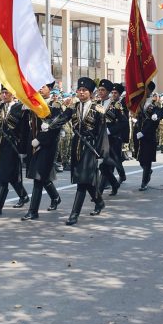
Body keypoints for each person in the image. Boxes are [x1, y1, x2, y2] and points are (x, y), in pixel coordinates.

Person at [64, 77, 108, 225]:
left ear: (90, 93)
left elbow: (102, 133)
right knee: (85, 180)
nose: (81, 92)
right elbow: (63, 118)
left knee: (82, 182)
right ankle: (99, 201)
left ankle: (74, 214)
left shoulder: (98, 109)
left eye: (84, 90)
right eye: (79, 90)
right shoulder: (73, 107)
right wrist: (50, 123)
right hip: (76, 147)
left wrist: (102, 153)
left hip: (91, 147)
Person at [21, 82, 63, 220]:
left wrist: (40, 140)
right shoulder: (34, 103)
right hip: (33, 143)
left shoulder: (55, 105)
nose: (39, 88)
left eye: (43, 86)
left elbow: (55, 127)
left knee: (38, 177)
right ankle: (55, 197)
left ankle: (33, 211)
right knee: (42, 176)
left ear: (49, 89)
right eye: (38, 86)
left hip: (47, 145)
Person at [0, 86, 30, 217]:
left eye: (7, 93)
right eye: (3, 93)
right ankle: (23, 196)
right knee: (11, 176)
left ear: (13, 93)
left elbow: (24, 130)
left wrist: (23, 149)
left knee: (4, 177)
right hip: (1, 146)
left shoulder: (19, 108)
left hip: (13, 147)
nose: (4, 95)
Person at [133, 81, 162, 191]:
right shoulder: (140, 102)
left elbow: (154, 122)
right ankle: (148, 171)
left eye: (145, 89)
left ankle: (144, 182)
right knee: (140, 158)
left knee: (147, 158)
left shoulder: (155, 104)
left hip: (148, 135)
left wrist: (144, 132)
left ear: (150, 90)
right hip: (138, 132)